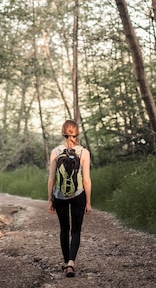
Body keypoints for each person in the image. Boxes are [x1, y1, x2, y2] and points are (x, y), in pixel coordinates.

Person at [47, 119, 92, 278]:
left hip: (59, 195)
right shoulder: (83, 152)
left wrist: (50, 199)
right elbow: (86, 180)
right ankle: (72, 263)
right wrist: (88, 201)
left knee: (64, 229)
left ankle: (66, 263)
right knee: (76, 230)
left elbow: (51, 179)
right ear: (77, 133)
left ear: (63, 132)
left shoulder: (55, 152)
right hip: (78, 194)